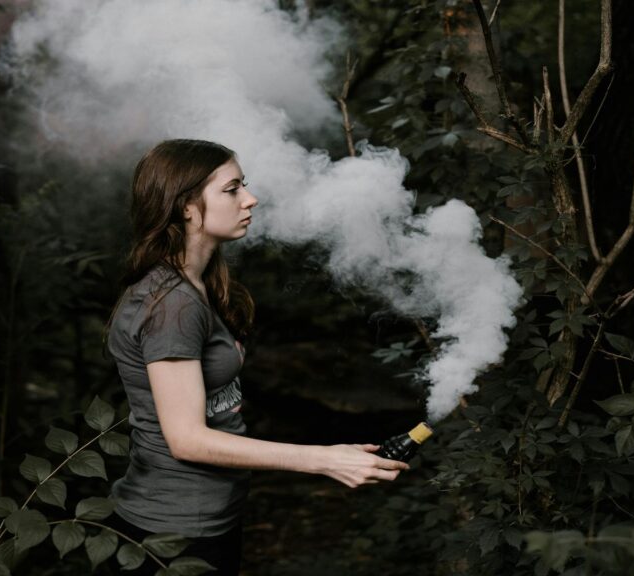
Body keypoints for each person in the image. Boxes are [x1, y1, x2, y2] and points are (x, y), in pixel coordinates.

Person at [105, 139, 408, 575]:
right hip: (172, 534)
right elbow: (186, 439)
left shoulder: (198, 284)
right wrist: (324, 459)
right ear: (187, 206)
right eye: (231, 189)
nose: (251, 198)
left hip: (207, 520)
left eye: (243, 185)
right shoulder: (173, 304)